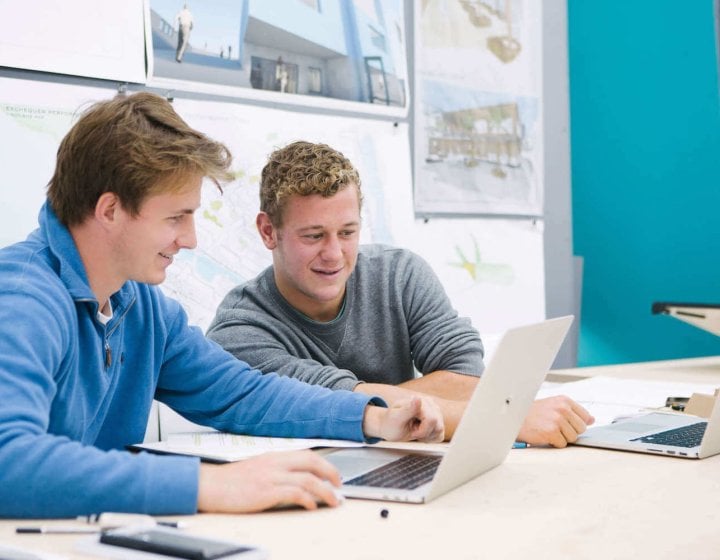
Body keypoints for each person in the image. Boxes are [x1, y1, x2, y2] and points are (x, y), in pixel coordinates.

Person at [0, 94, 444, 519]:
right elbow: (8, 461)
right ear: (110, 210)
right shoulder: (23, 301)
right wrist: (209, 486)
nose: (190, 239)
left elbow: (242, 394)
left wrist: (372, 418)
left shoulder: (141, 306)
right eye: (176, 218)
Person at [207, 141, 594, 446]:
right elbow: (336, 406)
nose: (334, 254)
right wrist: (507, 418)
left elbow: (465, 374)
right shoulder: (239, 331)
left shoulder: (399, 274)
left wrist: (380, 404)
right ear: (267, 231)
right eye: (313, 236)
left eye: (347, 232)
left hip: (409, 462)